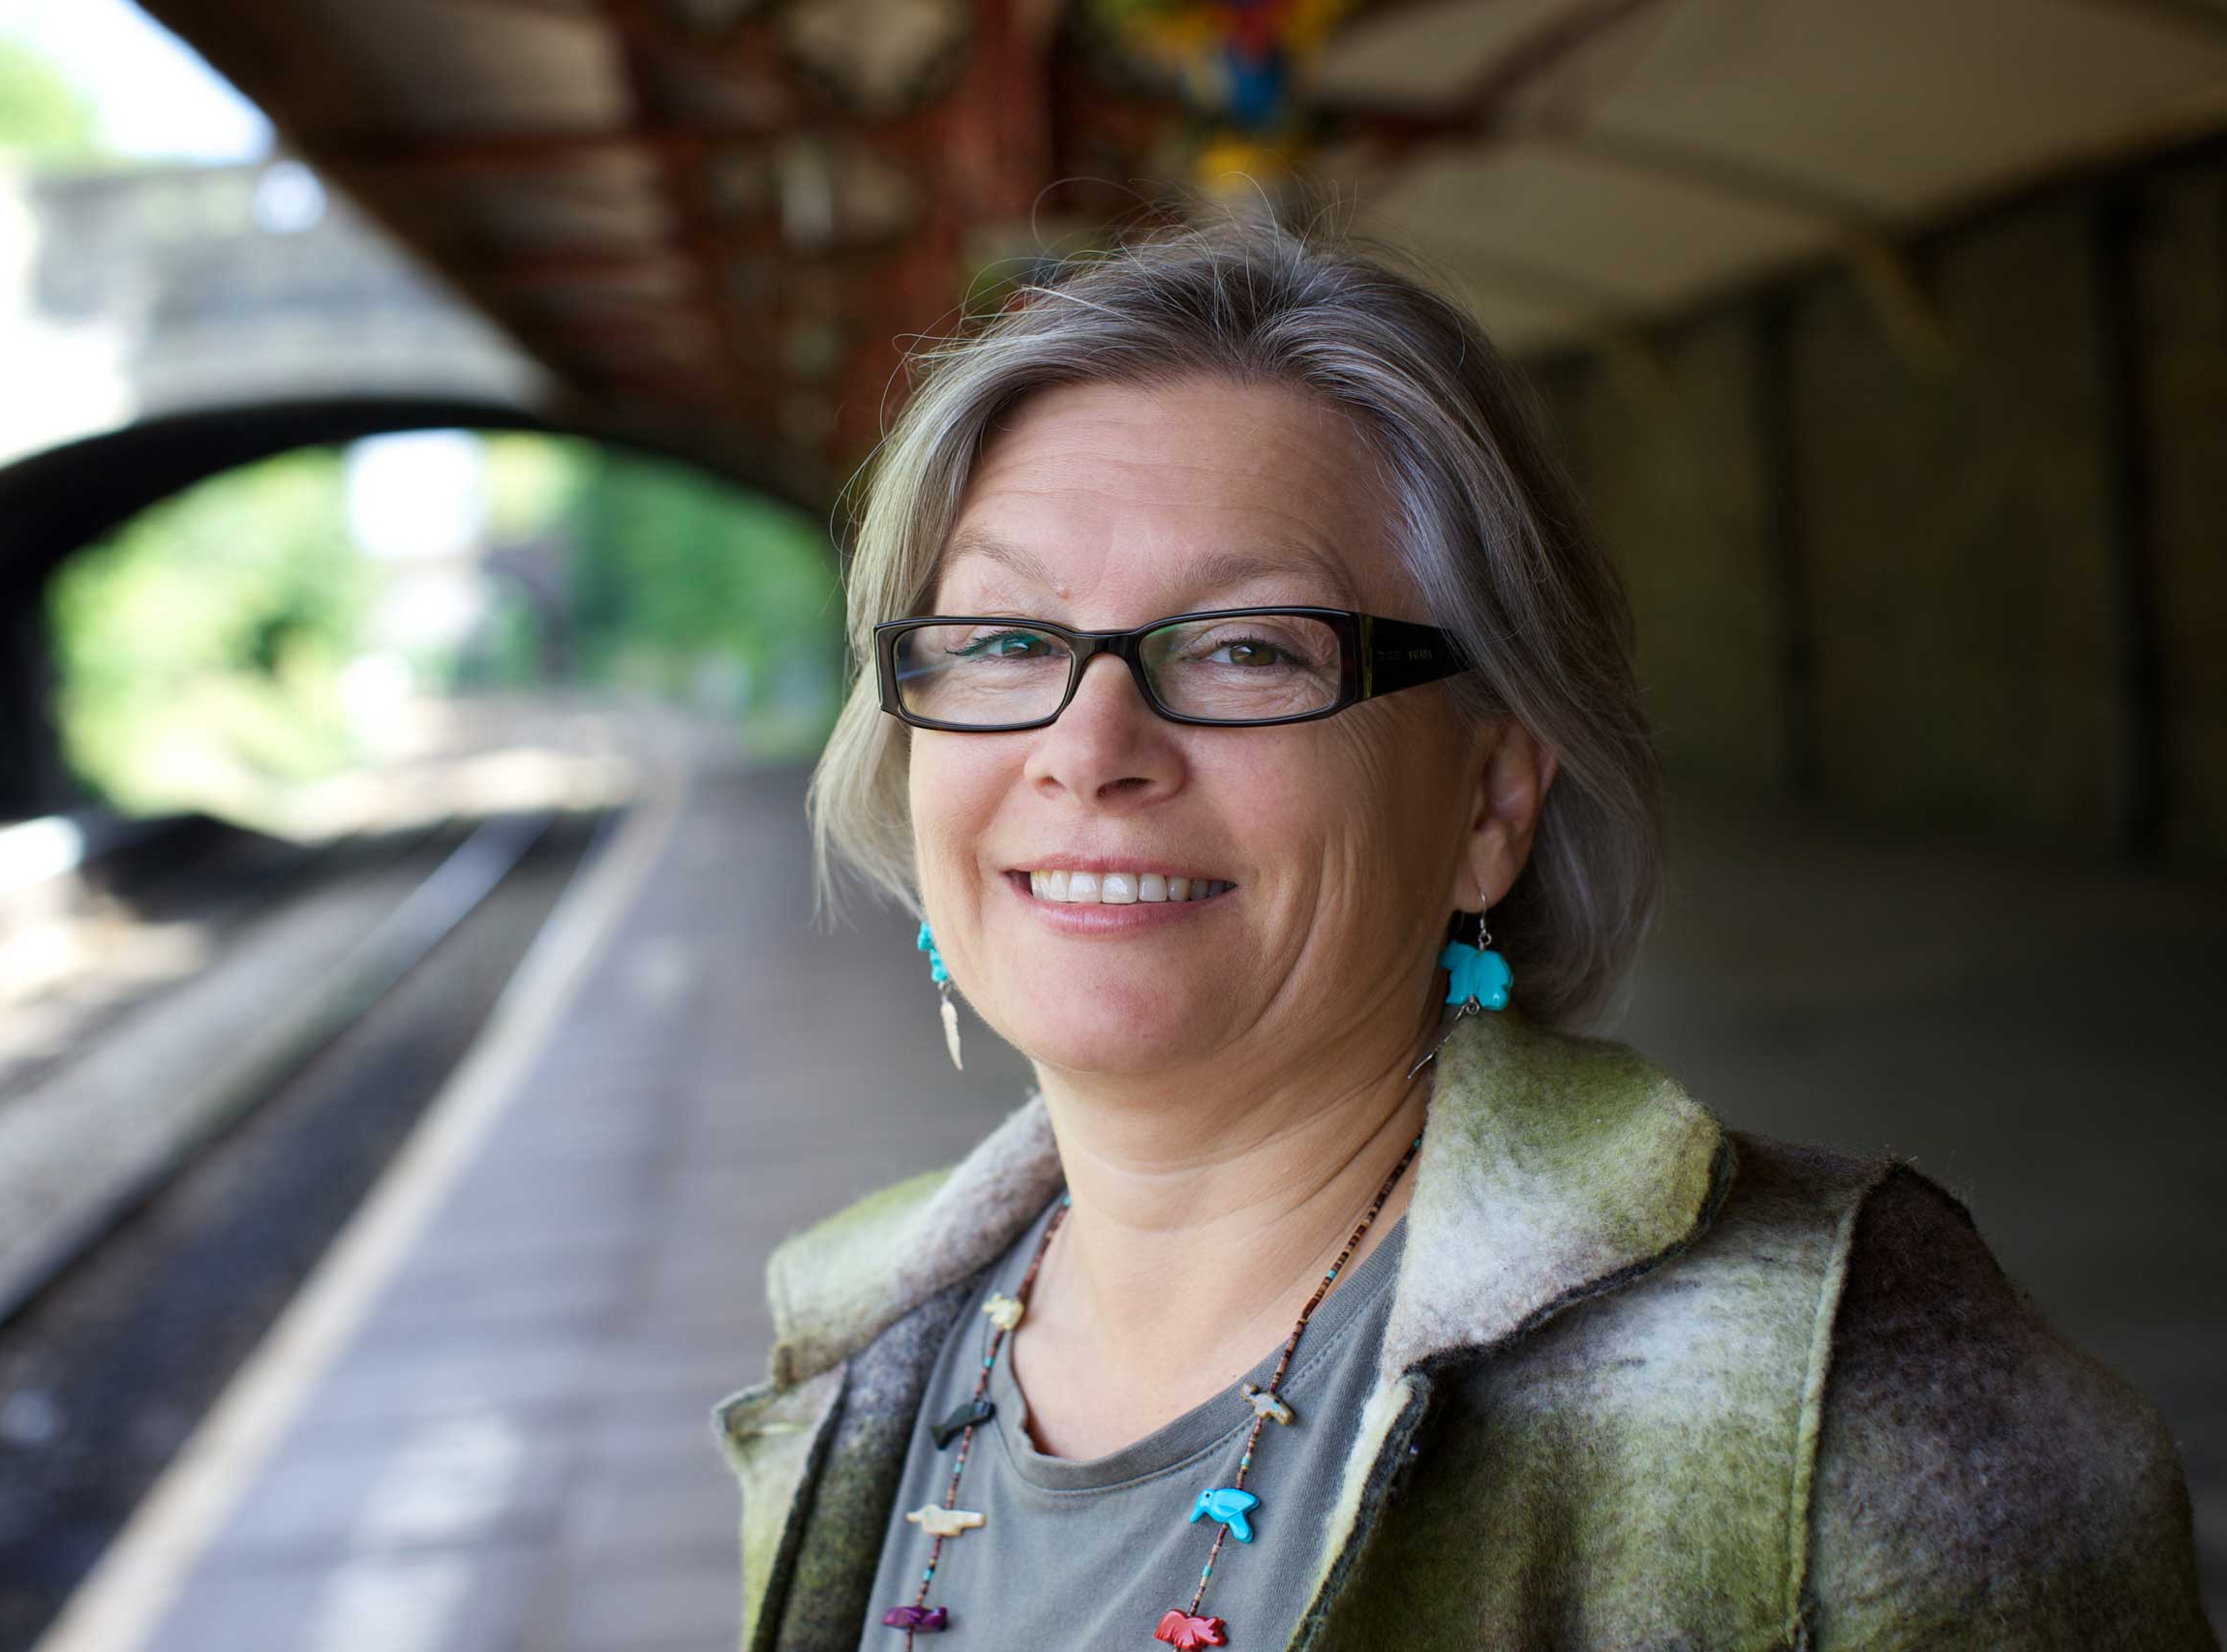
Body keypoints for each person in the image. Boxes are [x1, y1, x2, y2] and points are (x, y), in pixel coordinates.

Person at [710, 207, 2215, 1651]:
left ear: (1490, 793)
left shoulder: (1846, 1403)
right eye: (1005, 641)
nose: (1089, 745)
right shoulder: (850, 1360)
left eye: (1245, 646)